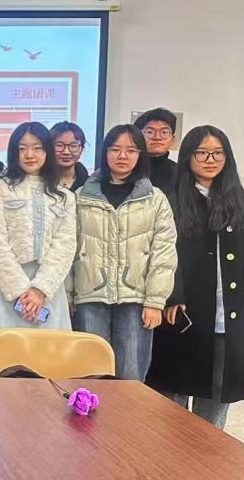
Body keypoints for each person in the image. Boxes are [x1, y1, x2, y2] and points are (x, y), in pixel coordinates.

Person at [147, 126, 244, 428]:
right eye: (202, 153)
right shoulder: (170, 199)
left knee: (217, 396)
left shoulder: (242, 201)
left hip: (227, 316)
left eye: (218, 153)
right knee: (173, 395)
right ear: (188, 156)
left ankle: (210, 454)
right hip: (183, 312)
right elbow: (160, 253)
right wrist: (172, 294)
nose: (210, 159)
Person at [0, 122, 77, 377]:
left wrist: (39, 290)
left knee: (49, 365)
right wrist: (20, 292)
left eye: (37, 148)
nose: (30, 154)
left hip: (48, 292)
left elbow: (65, 244)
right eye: (22, 148)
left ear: (47, 151)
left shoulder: (64, 196)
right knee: (1, 364)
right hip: (5, 291)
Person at [72, 124, 178, 380]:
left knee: (131, 378)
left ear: (141, 155)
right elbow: (70, 250)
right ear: (105, 153)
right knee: (90, 376)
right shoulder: (81, 197)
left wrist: (155, 301)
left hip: (136, 300)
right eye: (115, 149)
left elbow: (163, 253)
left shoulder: (155, 199)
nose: (122, 156)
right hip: (89, 298)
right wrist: (67, 296)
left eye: (131, 150)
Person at [134, 107, 179, 195]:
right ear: (137, 138)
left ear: (173, 140)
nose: (157, 137)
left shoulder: (180, 173)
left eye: (164, 132)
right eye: (150, 132)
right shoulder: (128, 169)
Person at [50, 121, 89, 193]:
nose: (66, 152)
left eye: (73, 146)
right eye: (59, 145)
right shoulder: (39, 181)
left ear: (82, 149)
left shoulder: (90, 184)